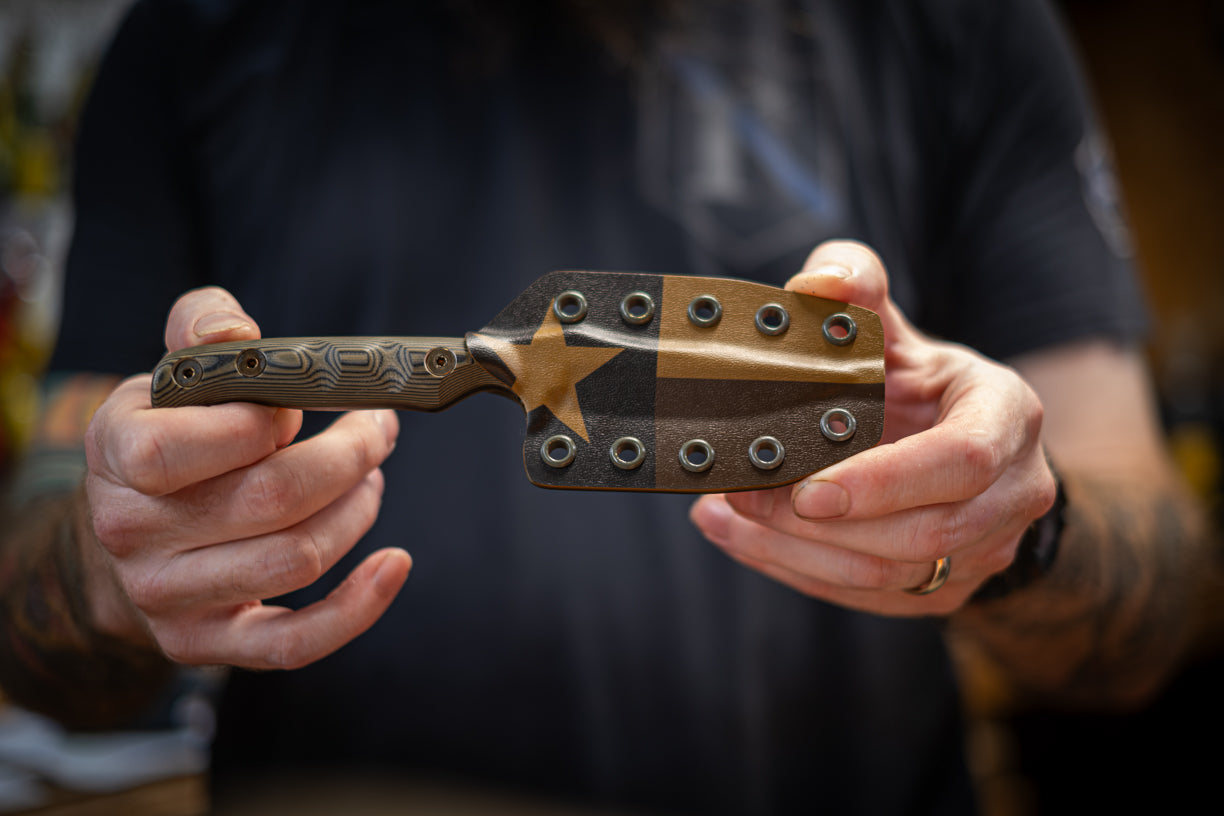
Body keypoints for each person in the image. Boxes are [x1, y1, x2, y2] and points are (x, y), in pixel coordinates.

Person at [0, 0, 1210, 813]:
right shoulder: (196, 32)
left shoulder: (959, 26)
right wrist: (113, 568)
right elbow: (31, 590)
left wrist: (1019, 531)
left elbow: (1159, 601)